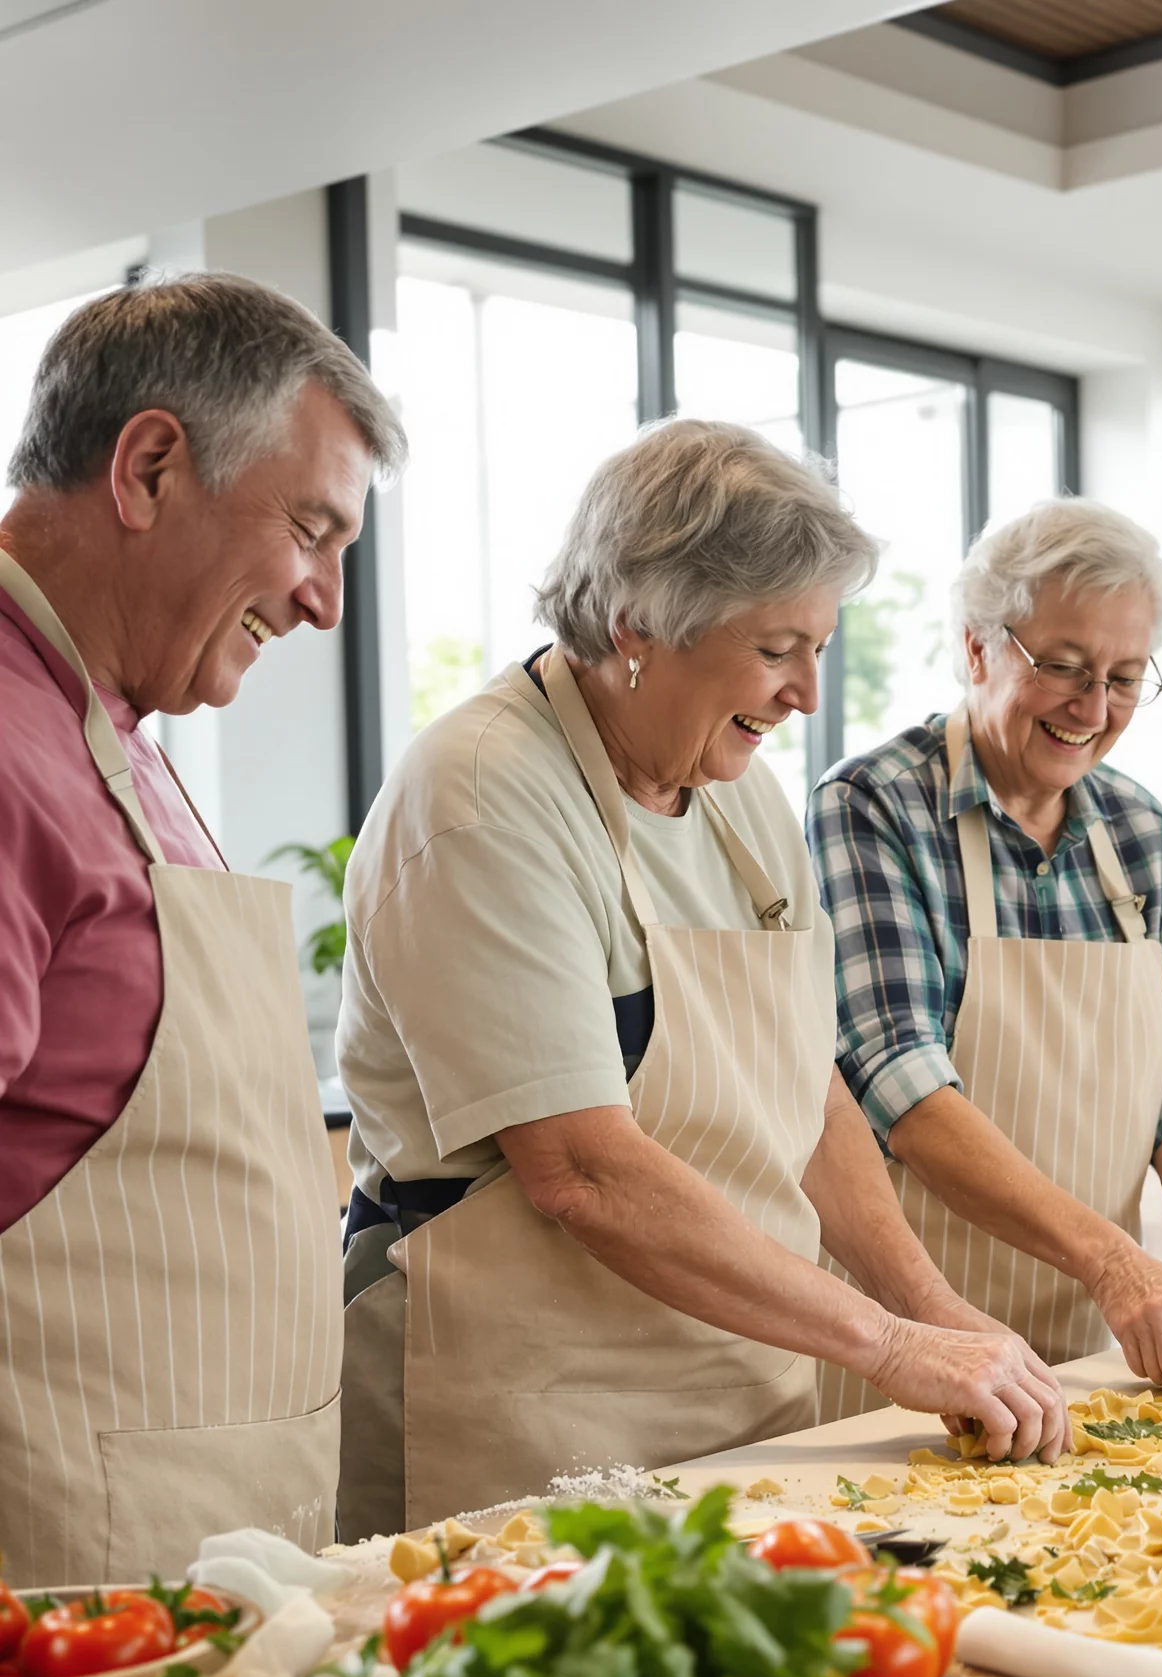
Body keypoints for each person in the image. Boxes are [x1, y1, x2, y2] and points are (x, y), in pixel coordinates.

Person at [336, 420, 1069, 1538]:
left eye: (819, 646)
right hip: (516, 1411)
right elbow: (581, 1167)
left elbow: (805, 1090)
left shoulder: (737, 790)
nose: (806, 696)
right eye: (778, 648)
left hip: (736, 1389)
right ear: (637, 627)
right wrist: (885, 1344)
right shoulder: (481, 794)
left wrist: (932, 1308)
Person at [0, 274, 406, 1582]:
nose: (323, 601)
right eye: (310, 530)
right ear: (151, 466)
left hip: (202, 1521)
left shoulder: (118, 728)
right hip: (68, 1564)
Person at [808, 500, 1162, 1402]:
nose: (1093, 708)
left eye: (1123, 677)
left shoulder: (1138, 826)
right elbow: (899, 1082)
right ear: (976, 647)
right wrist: (1115, 1262)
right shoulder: (874, 805)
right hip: (917, 1344)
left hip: (1094, 1347)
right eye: (1065, 668)